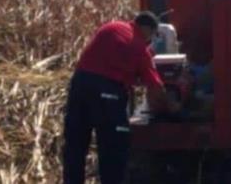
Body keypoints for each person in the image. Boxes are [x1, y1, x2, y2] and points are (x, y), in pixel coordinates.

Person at [62, 11, 179, 184]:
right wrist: (172, 108)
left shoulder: (111, 27)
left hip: (80, 84)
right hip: (108, 92)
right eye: (152, 36)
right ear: (147, 29)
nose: (150, 41)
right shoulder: (140, 47)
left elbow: (106, 57)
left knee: (75, 145)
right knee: (113, 149)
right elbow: (156, 87)